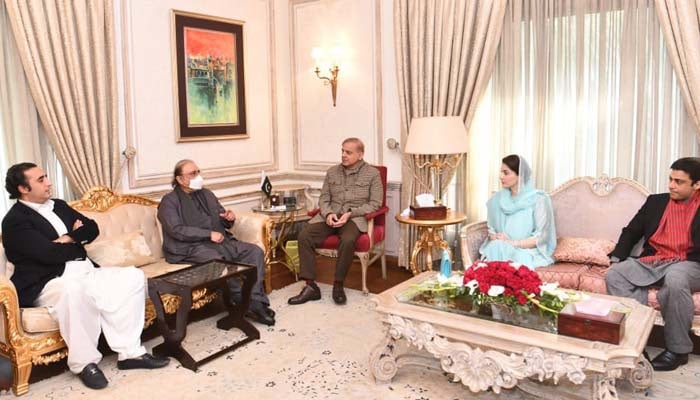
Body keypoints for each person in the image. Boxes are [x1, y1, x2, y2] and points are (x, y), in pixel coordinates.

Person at [1, 163, 169, 390]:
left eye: (46, 177)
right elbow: (48, 254)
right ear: (23, 188)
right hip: (49, 281)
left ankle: (130, 353)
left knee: (133, 277)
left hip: (85, 270)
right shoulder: (14, 221)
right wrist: (77, 241)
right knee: (75, 291)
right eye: (40, 179)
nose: (48, 182)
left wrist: (68, 238)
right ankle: (84, 364)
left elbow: (92, 228)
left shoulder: (59, 206)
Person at [606, 157, 700, 371]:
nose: (671, 185)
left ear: (697, 185)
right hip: (655, 259)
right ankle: (637, 341)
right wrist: (616, 258)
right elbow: (631, 231)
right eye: (670, 179)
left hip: (691, 262)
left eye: (679, 181)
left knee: (675, 279)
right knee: (615, 275)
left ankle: (678, 350)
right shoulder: (655, 202)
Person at [158, 159, 275, 326]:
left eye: (198, 172)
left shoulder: (207, 194)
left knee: (254, 251)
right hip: (189, 247)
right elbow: (176, 230)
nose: (198, 176)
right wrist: (207, 234)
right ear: (180, 179)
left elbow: (222, 217)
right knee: (219, 260)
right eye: (192, 173)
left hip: (220, 240)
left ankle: (254, 300)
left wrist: (229, 218)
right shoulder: (169, 202)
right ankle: (244, 302)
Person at [288, 137, 383, 305]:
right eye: (342, 151)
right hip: (330, 217)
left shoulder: (372, 174)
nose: (344, 155)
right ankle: (310, 286)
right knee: (304, 235)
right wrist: (328, 213)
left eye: (348, 152)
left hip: (354, 219)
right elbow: (324, 199)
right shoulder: (332, 172)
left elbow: (375, 203)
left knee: (347, 240)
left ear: (360, 155)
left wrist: (350, 214)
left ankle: (338, 285)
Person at [479, 154, 556, 269]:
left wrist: (513, 243)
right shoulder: (497, 199)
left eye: (506, 173)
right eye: (501, 172)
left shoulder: (539, 199)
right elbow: (492, 231)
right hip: (500, 246)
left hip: (526, 250)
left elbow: (540, 238)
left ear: (520, 175)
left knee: (509, 253)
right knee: (496, 246)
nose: (501, 176)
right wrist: (497, 237)